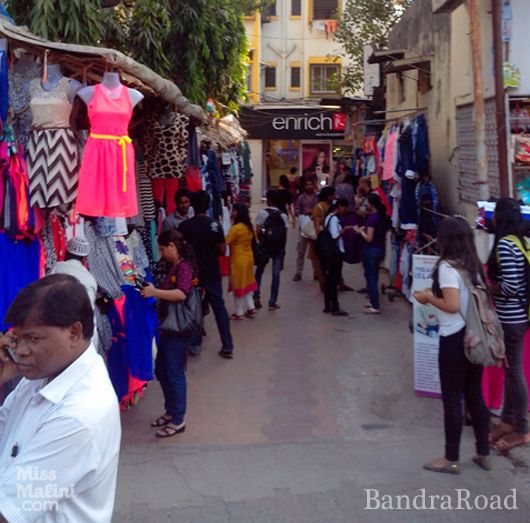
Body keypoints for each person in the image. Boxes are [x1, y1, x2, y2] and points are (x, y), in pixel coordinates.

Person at [0, 274, 120, 521]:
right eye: (17, 338)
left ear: (74, 332)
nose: (20, 351)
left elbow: (8, 511)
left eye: (33, 338)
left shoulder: (79, 416)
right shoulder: (45, 376)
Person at [413, 217, 491, 474]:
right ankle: (482, 451)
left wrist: (428, 298)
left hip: (454, 338)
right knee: (474, 395)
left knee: (452, 399)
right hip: (475, 338)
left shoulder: (448, 267)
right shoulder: (474, 266)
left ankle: (451, 457)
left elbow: (452, 305)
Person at [141, 231, 194, 437]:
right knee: (163, 371)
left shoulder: (184, 267)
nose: (161, 253)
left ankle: (178, 419)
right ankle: (171, 411)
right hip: (168, 327)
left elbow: (181, 293)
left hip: (177, 328)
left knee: (174, 373)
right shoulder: (174, 266)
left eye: (163, 249)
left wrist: (155, 293)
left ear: (172, 246)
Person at [487, 198, 530, 451]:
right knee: (510, 369)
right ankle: (507, 420)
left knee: (514, 372)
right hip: (522, 316)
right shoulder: (523, 242)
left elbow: (511, 286)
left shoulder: (505, 245)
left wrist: (491, 288)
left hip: (511, 318)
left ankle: (523, 429)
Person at [178, 190, 234, 359]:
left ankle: (195, 345)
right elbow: (222, 250)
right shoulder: (215, 225)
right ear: (208, 205)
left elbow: (181, 250)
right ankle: (227, 345)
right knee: (219, 308)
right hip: (212, 272)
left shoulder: (185, 226)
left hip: (194, 274)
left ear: (192, 205)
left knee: (195, 308)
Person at [51, 237, 98, 348]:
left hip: (54, 327)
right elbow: (89, 313)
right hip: (76, 333)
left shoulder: (56, 268)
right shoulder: (89, 278)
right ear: (85, 259)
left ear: (66, 252)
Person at [354, 193, 390, 314]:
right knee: (373, 276)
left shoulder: (372, 219)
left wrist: (360, 231)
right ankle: (373, 301)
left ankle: (375, 305)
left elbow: (369, 238)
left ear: (371, 204)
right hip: (380, 249)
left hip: (371, 250)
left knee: (371, 278)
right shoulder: (382, 217)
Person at [254, 189, 289, 311]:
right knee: (276, 275)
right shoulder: (283, 215)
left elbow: (257, 230)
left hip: (265, 246)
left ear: (268, 200)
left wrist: (261, 241)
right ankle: (272, 301)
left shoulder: (262, 213)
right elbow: (285, 234)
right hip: (278, 248)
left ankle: (256, 296)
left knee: (259, 271)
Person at [226, 203, 258, 320]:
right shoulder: (248, 226)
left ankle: (239, 313)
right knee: (247, 283)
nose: (232, 212)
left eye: (234, 210)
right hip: (249, 258)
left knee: (238, 286)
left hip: (238, 260)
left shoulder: (236, 228)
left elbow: (226, 241)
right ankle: (251, 307)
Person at [322, 198, 353, 316]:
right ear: (340, 206)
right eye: (344, 208)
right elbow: (335, 236)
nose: (344, 211)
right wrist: (344, 230)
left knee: (329, 280)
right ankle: (335, 306)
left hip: (329, 253)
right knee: (333, 280)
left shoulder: (328, 218)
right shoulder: (334, 219)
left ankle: (327, 305)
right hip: (335, 253)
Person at [309, 186, 336, 292]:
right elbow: (317, 226)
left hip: (330, 239)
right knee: (320, 264)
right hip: (322, 240)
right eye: (332, 194)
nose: (334, 196)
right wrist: (322, 240)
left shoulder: (331, 206)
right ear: (328, 196)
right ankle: (324, 286)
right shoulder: (319, 207)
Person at [293, 177, 318, 282]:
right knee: (301, 250)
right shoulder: (301, 197)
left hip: (314, 226)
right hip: (303, 226)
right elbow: (296, 209)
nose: (309, 186)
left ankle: (316, 272)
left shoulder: (317, 197)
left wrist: (311, 211)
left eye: (311, 184)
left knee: (314, 251)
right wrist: (302, 214)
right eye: (307, 184)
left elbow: (319, 209)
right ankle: (298, 272)